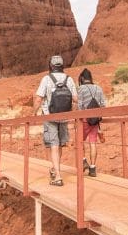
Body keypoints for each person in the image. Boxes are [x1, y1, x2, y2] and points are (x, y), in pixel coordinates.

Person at [33, 55, 77, 186]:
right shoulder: (69, 79)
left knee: (54, 144)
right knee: (60, 144)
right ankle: (54, 168)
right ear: (62, 66)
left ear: (51, 66)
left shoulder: (46, 79)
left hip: (49, 116)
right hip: (64, 117)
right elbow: (75, 99)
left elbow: (38, 98)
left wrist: (34, 113)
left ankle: (57, 176)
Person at [77, 68, 106, 177]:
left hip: (84, 120)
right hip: (95, 120)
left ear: (83, 78)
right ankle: (93, 168)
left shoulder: (81, 88)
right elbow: (103, 104)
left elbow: (80, 106)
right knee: (93, 143)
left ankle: (84, 161)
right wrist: (98, 117)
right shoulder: (98, 88)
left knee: (79, 141)